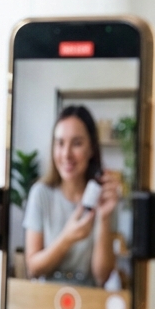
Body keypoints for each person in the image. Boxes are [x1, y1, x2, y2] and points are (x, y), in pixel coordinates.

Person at [23, 105, 122, 287]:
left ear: (91, 149)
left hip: (89, 303)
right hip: (46, 301)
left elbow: (102, 276)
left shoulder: (104, 198)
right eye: (60, 143)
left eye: (76, 143)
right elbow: (33, 268)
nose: (66, 154)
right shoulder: (40, 194)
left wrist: (104, 217)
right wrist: (67, 238)